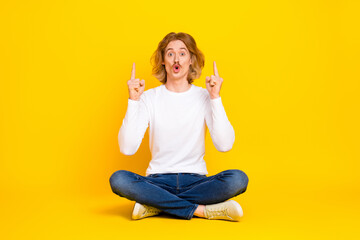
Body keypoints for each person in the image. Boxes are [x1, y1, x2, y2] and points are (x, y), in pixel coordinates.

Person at [109, 32, 249, 221]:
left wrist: (215, 98)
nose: (176, 59)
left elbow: (225, 145)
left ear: (191, 59)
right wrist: (133, 101)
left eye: (182, 53)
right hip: (157, 181)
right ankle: (200, 210)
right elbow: (127, 148)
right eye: (170, 53)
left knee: (238, 179)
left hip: (197, 182)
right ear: (163, 61)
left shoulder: (204, 96)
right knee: (119, 179)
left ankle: (156, 204)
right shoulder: (149, 98)